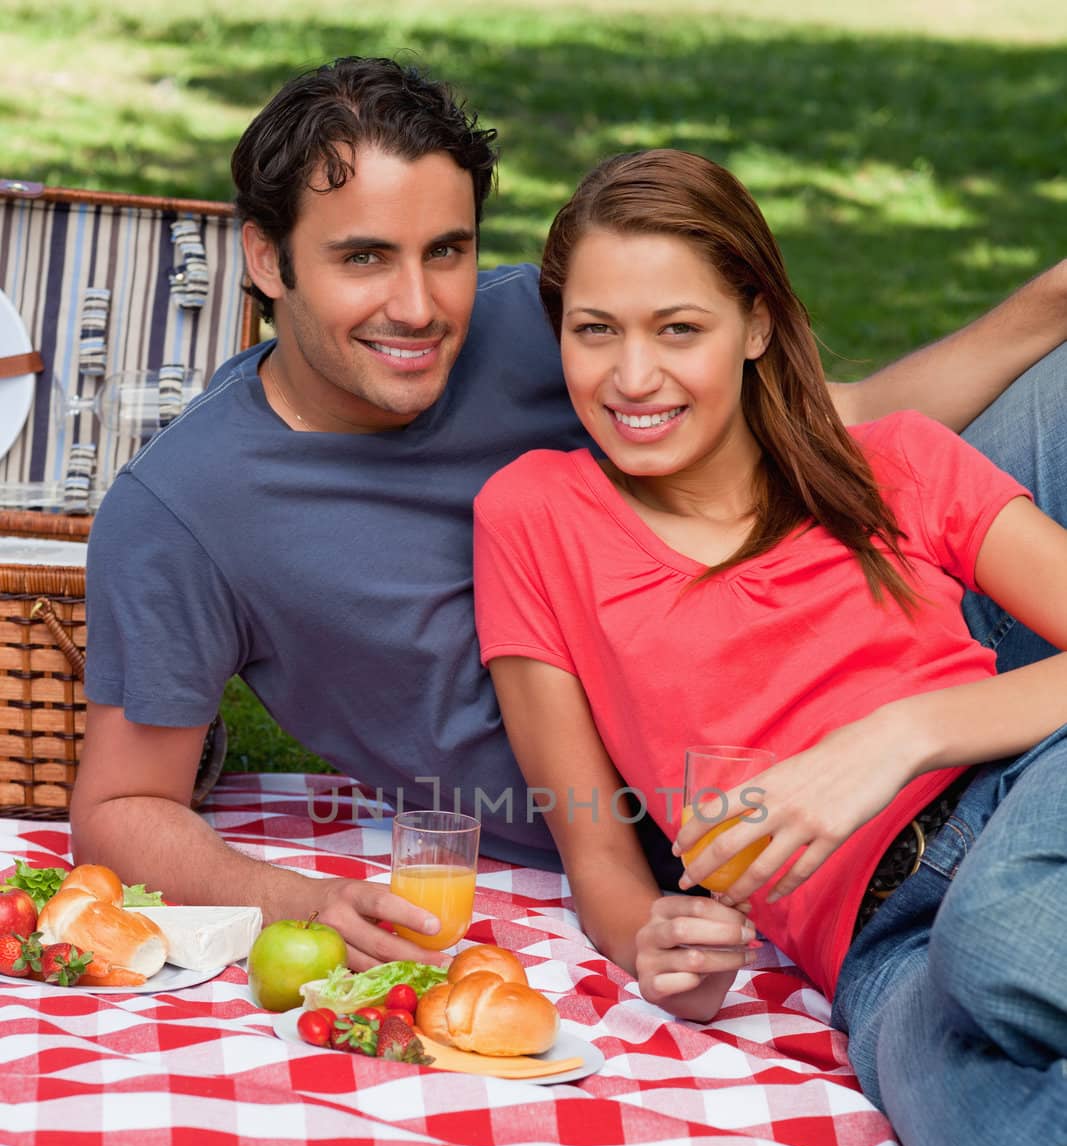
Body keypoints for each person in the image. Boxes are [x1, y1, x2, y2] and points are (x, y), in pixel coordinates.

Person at [73, 54, 1067, 975]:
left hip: (873, 669)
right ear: (265, 258)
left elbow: (821, 431)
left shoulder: (547, 326)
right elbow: (121, 807)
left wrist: (1046, 307)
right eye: (364, 258)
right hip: (677, 830)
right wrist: (299, 897)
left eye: (448, 250)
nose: (417, 307)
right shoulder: (182, 512)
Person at [471, 148, 1067, 1146]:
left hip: (1017, 809)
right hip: (874, 955)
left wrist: (895, 735)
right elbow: (597, 853)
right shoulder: (531, 517)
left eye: (676, 329)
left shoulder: (893, 464)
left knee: (1000, 953)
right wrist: (653, 940)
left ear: (753, 323)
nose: (631, 376)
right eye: (594, 330)